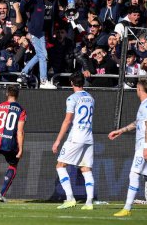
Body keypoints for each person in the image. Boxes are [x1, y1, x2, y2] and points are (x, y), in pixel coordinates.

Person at [108, 77, 147, 217]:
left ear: (139, 88)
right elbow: (138, 122)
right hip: (146, 144)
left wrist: (145, 147)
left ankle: (127, 208)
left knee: (134, 174)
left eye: (137, 87)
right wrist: (121, 130)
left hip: (145, 145)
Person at [52, 72, 95, 210]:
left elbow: (68, 120)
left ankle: (70, 198)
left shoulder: (72, 99)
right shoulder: (91, 98)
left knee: (60, 165)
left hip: (76, 137)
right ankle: (89, 203)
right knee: (86, 169)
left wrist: (58, 140)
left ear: (71, 83)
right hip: (88, 137)